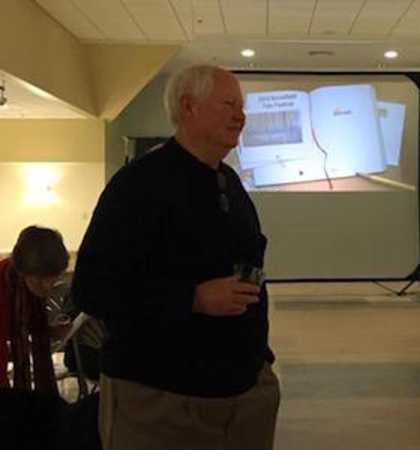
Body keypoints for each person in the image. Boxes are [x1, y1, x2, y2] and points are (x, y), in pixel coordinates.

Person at [71, 65, 280, 450]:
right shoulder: (137, 186)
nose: (241, 116)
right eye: (229, 104)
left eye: (242, 106)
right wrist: (193, 299)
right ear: (188, 107)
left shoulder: (231, 184)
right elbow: (91, 288)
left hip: (244, 400)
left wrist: (260, 364)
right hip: (161, 406)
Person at [0, 225, 70, 393]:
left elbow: (22, 325)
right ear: (22, 271)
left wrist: (50, 331)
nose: (46, 287)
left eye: (52, 278)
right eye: (39, 280)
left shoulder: (23, 285)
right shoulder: (3, 286)